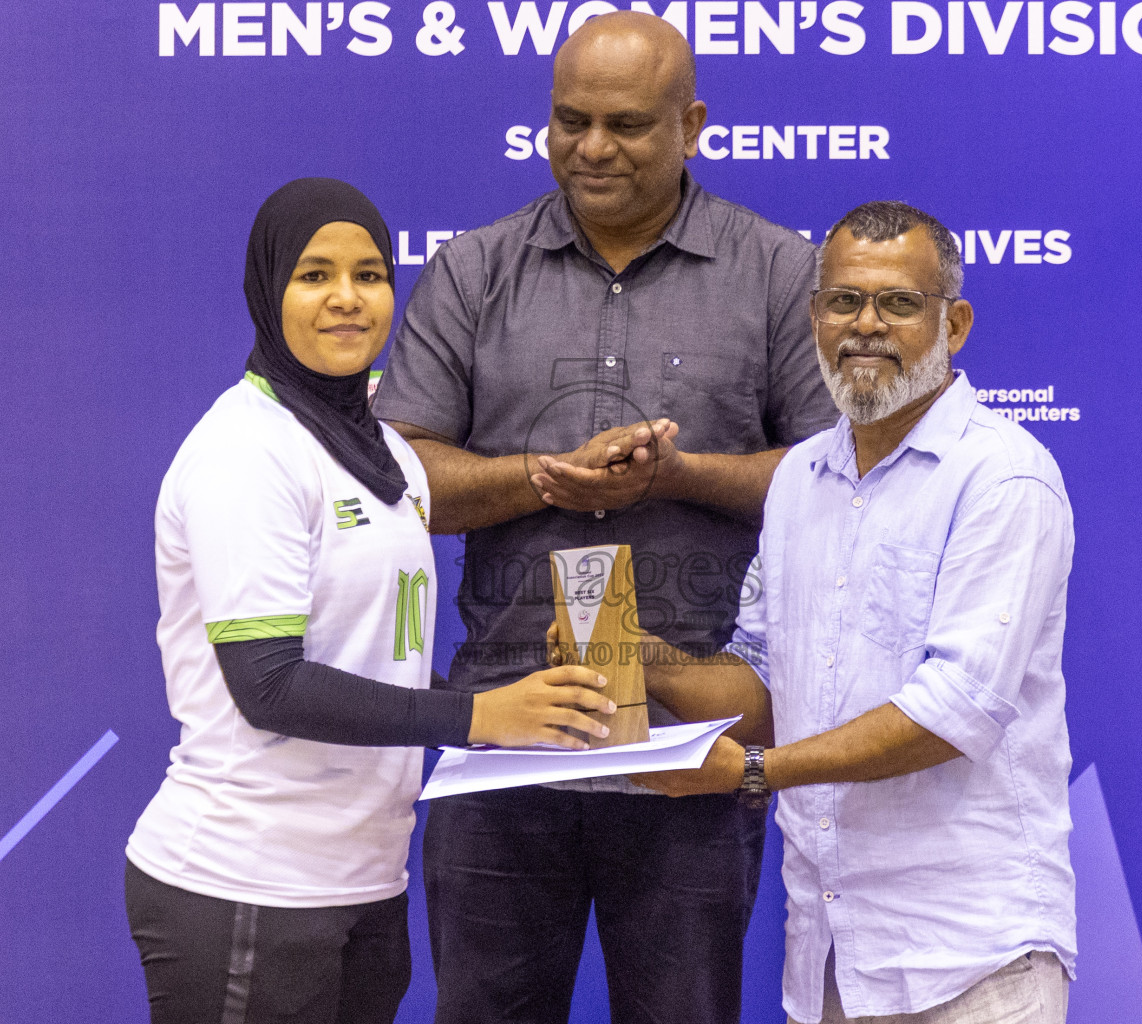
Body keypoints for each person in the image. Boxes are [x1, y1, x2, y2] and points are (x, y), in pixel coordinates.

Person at [370, 11, 838, 1023]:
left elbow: (831, 482)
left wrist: (678, 475)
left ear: (693, 123)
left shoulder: (775, 272)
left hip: (694, 743)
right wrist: (542, 476)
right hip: (503, 732)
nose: (591, 148)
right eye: (569, 119)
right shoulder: (474, 270)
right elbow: (397, 475)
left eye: (625, 124)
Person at [123, 177, 615, 1024]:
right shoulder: (247, 452)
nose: (348, 300)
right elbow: (269, 686)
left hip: (363, 881)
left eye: (372, 274)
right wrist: (479, 717)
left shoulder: (380, 445)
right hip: (248, 882)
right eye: (315, 276)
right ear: (267, 288)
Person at [628, 201, 1078, 1023]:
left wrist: (755, 773)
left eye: (898, 303)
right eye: (844, 301)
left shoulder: (1004, 477)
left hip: (973, 957)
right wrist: (638, 657)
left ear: (956, 324)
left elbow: (956, 711)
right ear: (813, 318)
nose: (865, 326)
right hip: (833, 950)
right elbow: (767, 687)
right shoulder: (799, 479)